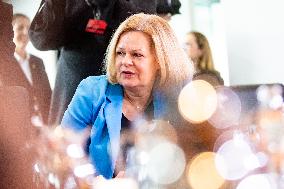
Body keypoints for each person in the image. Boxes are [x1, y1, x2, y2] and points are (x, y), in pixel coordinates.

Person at [61, 13, 193, 179]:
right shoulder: (91, 91)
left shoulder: (177, 98)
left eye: (136, 55)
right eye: (120, 53)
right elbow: (63, 157)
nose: (125, 61)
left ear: (160, 61)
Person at [29, 0, 159, 126]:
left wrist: (106, 5)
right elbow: (42, 39)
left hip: (121, 94)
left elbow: (145, 28)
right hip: (71, 91)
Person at [12, 13, 51, 125]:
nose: (25, 32)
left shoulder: (38, 62)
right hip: (19, 130)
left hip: (44, 126)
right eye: (20, 28)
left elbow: (48, 94)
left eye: (28, 28)